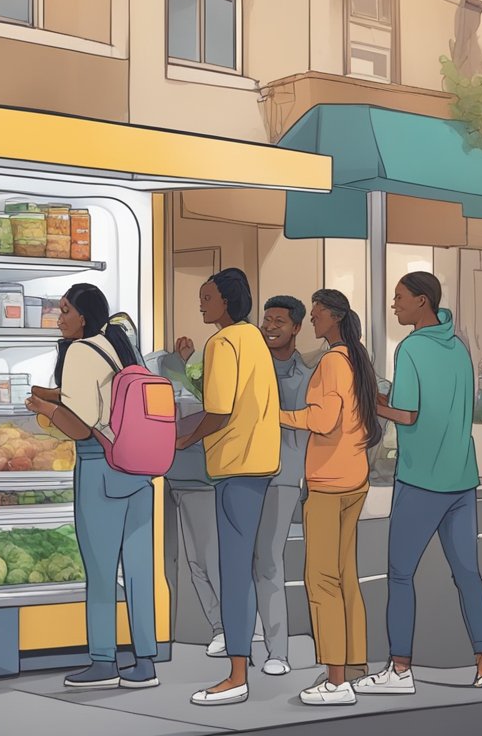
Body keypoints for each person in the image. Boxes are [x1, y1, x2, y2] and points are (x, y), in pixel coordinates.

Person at [356, 272, 482, 694]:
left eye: (399, 298)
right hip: (461, 479)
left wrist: (373, 402)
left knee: (400, 575)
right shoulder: (458, 347)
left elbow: (409, 414)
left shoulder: (412, 347)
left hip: (421, 480)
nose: (394, 304)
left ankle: (400, 670)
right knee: (468, 574)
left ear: (422, 301)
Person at [165, 295, 313, 673]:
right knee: (230, 562)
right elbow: (218, 399)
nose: (271, 326)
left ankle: (277, 652)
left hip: (281, 475)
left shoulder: (306, 374)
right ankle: (240, 643)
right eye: (268, 319)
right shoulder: (248, 354)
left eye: (280, 321)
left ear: (297, 327)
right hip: (246, 469)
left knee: (267, 562)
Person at [23, 285, 158, 690]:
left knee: (100, 571)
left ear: (82, 317)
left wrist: (45, 408)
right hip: (136, 469)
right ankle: (145, 662)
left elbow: (80, 425)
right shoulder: (115, 345)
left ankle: (103, 660)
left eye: (65, 311)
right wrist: (51, 394)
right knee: (138, 570)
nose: (59, 318)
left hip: (100, 469)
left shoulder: (80, 352)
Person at [177, 268, 281, 707]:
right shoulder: (253, 338)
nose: (201, 304)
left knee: (233, 571)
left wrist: (180, 439)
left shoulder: (220, 343)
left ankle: (236, 674)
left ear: (225, 302)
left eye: (206, 297)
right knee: (246, 565)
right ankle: (244, 663)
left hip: (234, 465)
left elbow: (218, 411)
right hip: (261, 462)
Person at [279, 290, 381, 705]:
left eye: (318, 315)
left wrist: (275, 413)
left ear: (334, 318)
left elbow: (322, 420)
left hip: (326, 482)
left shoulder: (331, 363)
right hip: (355, 477)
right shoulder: (358, 359)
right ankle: (355, 666)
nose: (314, 321)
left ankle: (335, 681)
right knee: (346, 576)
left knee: (320, 580)